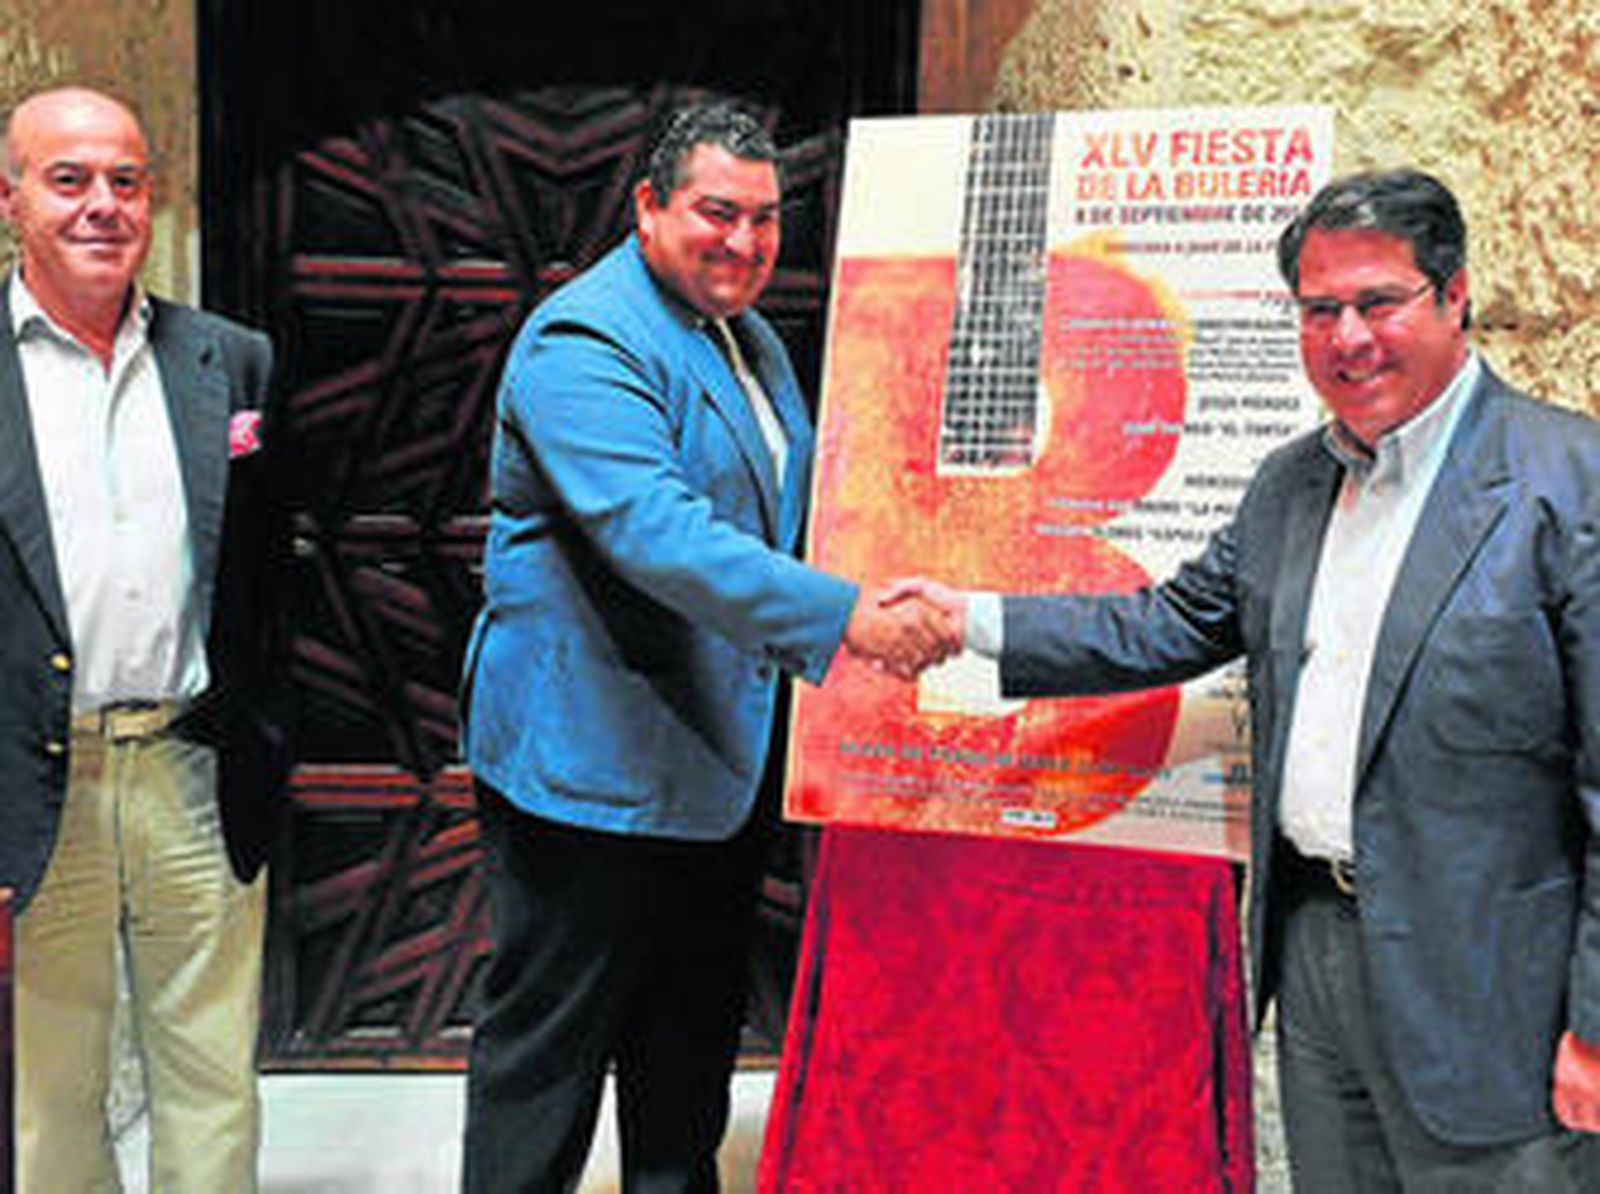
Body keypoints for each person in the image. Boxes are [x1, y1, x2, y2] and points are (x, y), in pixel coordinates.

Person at [899, 168, 1600, 1191]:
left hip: (1496, 993)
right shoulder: (1290, 485)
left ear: (1454, 296)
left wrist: (1595, 1025)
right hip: (1314, 955)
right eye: (1319, 310)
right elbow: (1163, 625)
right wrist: (964, 619)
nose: (1347, 338)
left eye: (1378, 302)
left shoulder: (1568, 483)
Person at [458, 101, 950, 1192]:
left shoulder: (746, 336)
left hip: (721, 763)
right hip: (590, 775)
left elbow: (786, 510)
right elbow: (657, 533)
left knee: (685, 1054)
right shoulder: (585, 339)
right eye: (716, 213)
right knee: (548, 1063)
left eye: (765, 219)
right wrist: (848, 617)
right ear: (648, 206)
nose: (745, 241)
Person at [0, 86, 289, 1192]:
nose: (103, 205)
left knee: (213, 1081)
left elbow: (263, 578)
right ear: (11, 199)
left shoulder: (230, 360)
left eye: (125, 180)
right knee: (52, 1092)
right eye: (69, 180)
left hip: (190, 767)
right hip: (34, 780)